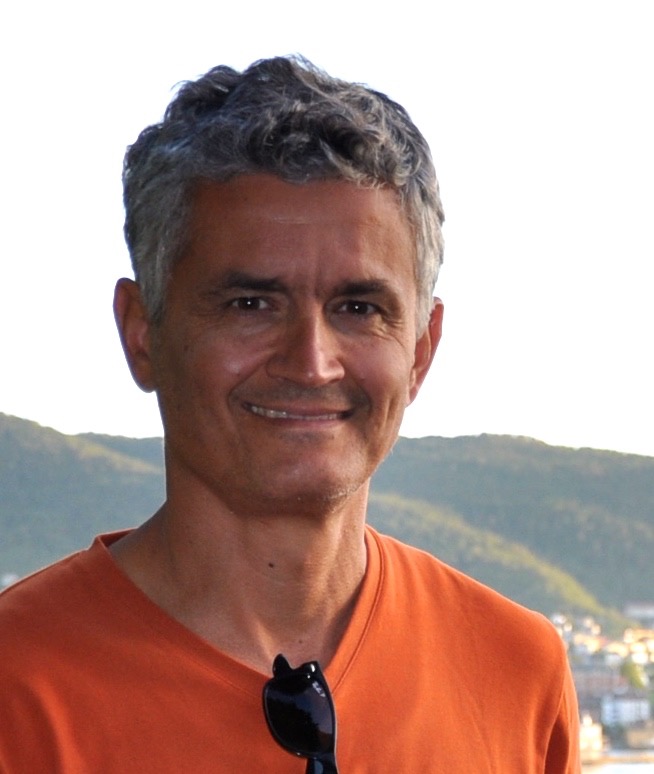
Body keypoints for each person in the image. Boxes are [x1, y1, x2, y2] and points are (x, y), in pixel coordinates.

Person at [0, 56, 580, 772]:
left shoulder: (516, 673)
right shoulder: (17, 686)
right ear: (142, 332)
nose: (311, 362)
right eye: (251, 304)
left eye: (358, 308)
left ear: (421, 350)